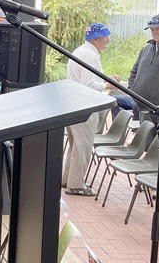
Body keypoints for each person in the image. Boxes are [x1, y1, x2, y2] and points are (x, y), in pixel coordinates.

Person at [62, 23, 119, 196]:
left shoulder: (81, 51)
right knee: (84, 146)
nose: (107, 40)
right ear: (96, 38)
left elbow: (85, 79)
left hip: (73, 105)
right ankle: (76, 185)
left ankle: (68, 179)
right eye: (105, 36)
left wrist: (104, 80)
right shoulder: (90, 56)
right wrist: (107, 84)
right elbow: (88, 85)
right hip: (84, 106)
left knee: (75, 146)